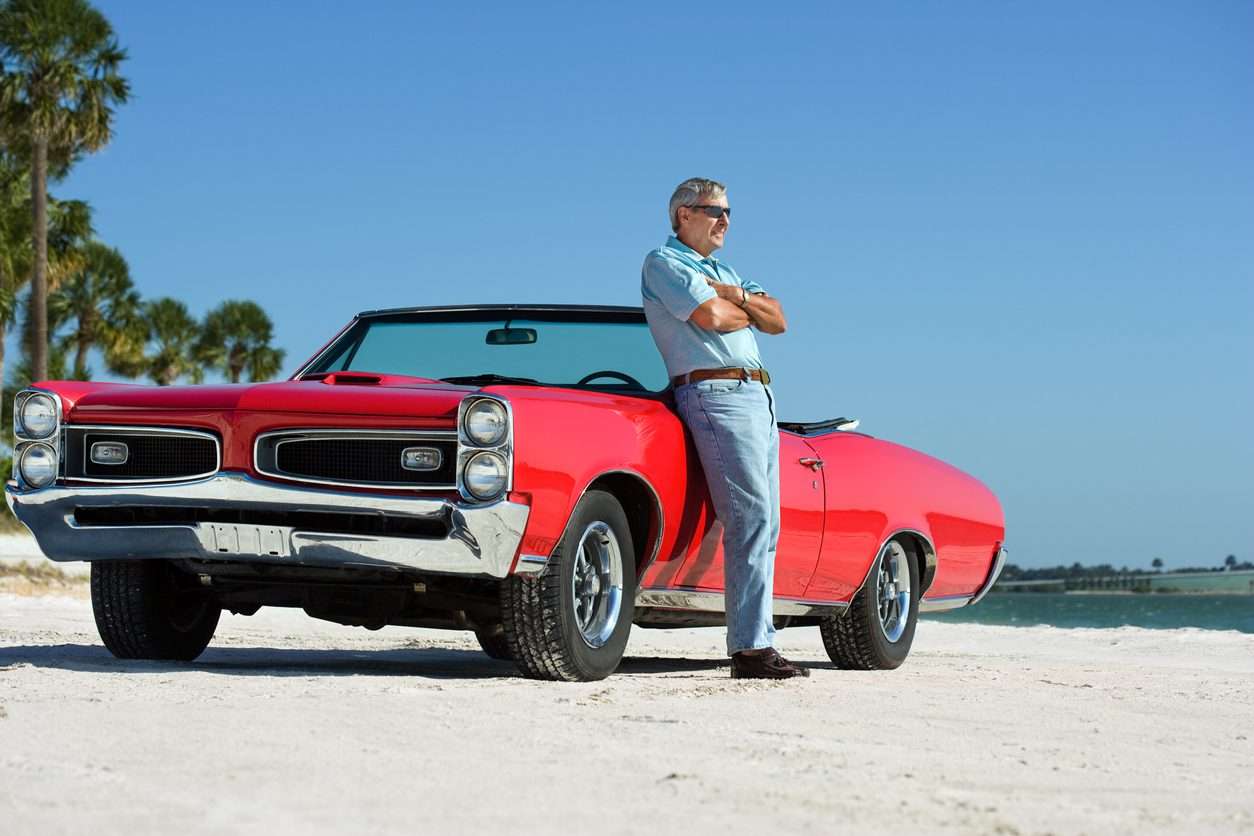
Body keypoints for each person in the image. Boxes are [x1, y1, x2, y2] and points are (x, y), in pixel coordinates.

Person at [640, 177, 807, 679]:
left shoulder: (725, 271)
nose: (725, 220)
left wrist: (735, 293)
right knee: (752, 517)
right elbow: (712, 318)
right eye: (714, 210)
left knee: (767, 521)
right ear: (682, 215)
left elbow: (777, 319)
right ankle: (752, 649)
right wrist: (739, 307)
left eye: (729, 211)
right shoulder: (664, 263)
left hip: (758, 396)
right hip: (715, 393)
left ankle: (756, 641)